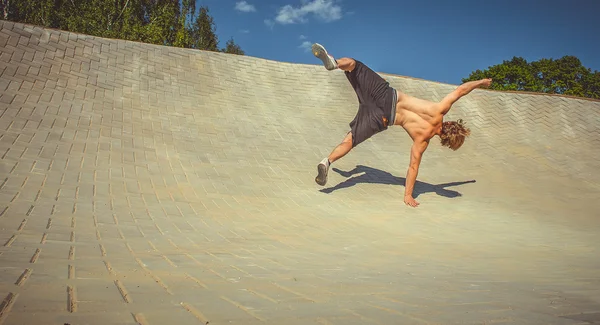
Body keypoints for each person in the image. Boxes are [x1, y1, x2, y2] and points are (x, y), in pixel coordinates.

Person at [311, 43, 492, 207]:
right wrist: (408, 195)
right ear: (445, 140)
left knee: (353, 65)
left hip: (386, 96)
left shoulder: (439, 110)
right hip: (381, 118)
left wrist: (481, 82)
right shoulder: (423, 139)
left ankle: (335, 63)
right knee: (350, 140)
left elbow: (460, 90)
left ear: (452, 124)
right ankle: (327, 161)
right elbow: (413, 167)